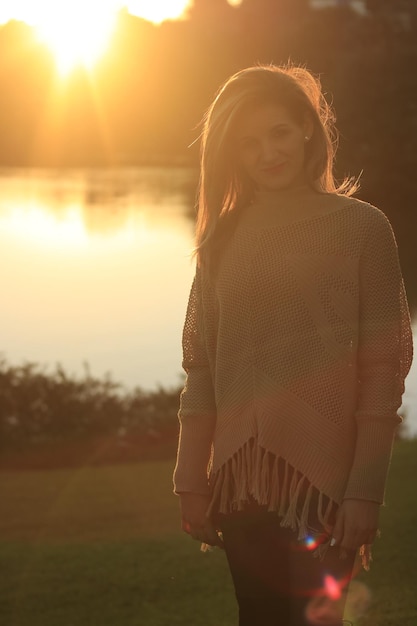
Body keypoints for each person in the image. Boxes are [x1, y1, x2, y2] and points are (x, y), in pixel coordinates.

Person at [173, 64, 413, 626]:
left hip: (325, 487)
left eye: (278, 132)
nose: (268, 153)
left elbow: (385, 368)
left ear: (307, 128)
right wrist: (190, 482)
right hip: (238, 486)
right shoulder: (222, 237)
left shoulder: (363, 228)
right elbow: (201, 366)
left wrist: (364, 494)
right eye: (248, 143)